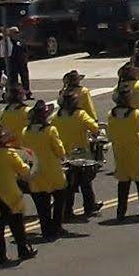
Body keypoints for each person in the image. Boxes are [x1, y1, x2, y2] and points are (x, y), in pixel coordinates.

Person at [0, 125, 36, 267]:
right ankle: (23, 250)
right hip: (8, 192)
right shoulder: (9, 154)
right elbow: (24, 171)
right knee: (17, 223)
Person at [20, 101, 69, 241]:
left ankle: (45, 229)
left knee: (42, 204)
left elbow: (25, 151)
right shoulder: (50, 130)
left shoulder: (25, 131)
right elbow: (59, 150)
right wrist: (62, 157)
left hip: (35, 171)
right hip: (52, 171)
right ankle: (56, 226)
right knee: (59, 198)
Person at [106, 89, 139, 221]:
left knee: (123, 181)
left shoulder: (111, 114)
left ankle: (121, 211)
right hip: (134, 150)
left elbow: (109, 135)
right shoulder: (135, 114)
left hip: (119, 150)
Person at [53, 90, 101, 221]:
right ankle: (89, 206)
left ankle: (67, 210)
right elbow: (94, 128)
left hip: (64, 154)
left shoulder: (56, 116)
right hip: (81, 153)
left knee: (68, 184)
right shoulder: (80, 115)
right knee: (85, 182)